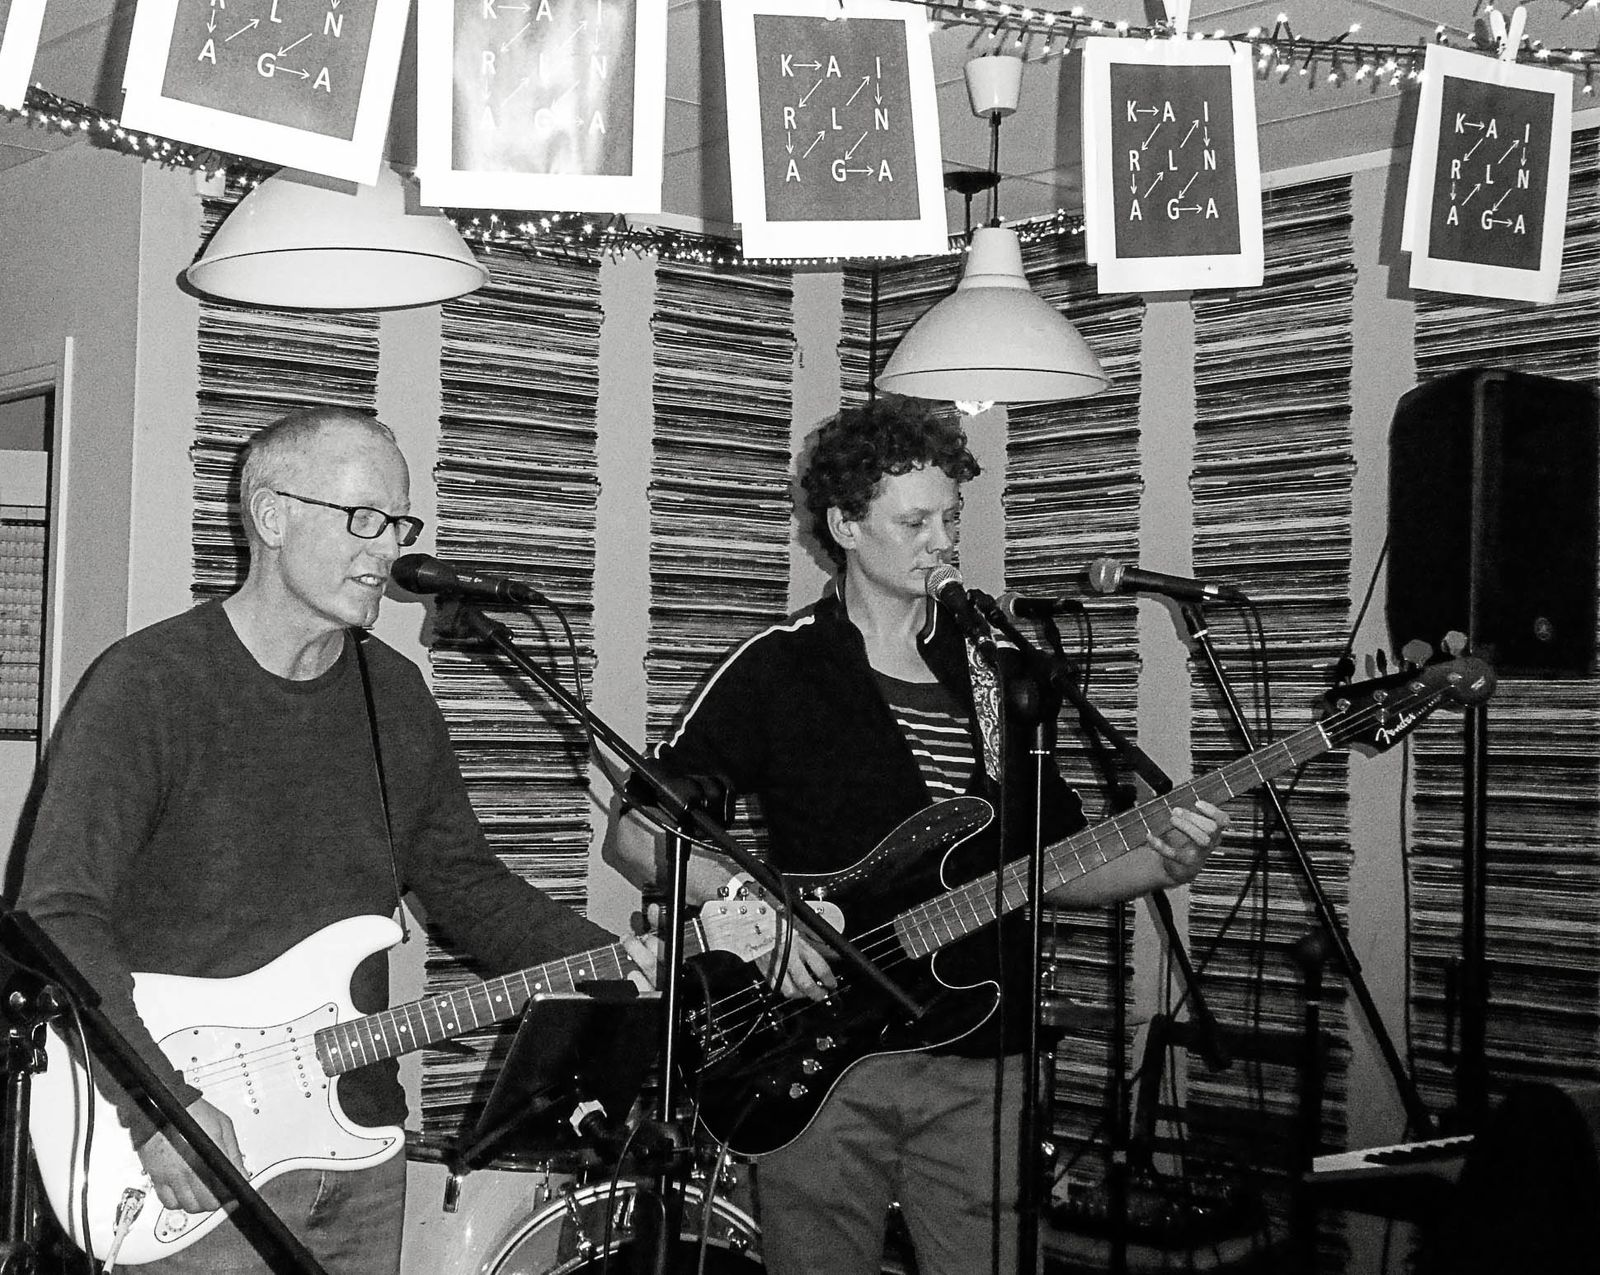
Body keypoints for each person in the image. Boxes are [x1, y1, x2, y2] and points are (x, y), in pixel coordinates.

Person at [15, 406, 651, 1275]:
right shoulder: (148, 685)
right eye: (362, 517)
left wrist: (622, 963)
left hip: (360, 1142)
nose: (386, 549)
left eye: (398, 523)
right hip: (194, 1146)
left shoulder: (394, 695)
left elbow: (468, 887)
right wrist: (158, 1104)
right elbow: (56, 914)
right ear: (271, 516)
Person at [604, 396, 1227, 1275]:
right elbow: (635, 835)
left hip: (983, 1056)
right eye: (915, 521)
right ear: (845, 526)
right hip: (820, 1056)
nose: (943, 542)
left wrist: (1164, 861)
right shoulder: (778, 666)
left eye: (951, 518)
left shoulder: (1002, 674)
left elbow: (1052, 864)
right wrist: (755, 903)